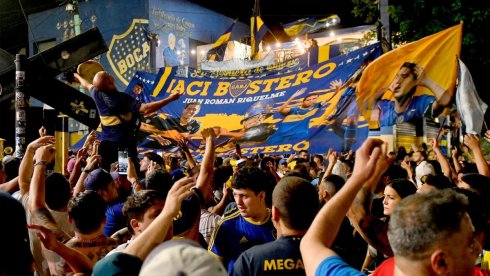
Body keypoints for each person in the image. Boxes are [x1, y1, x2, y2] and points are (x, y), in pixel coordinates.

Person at [73, 70, 180, 171]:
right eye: (107, 73)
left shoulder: (96, 93)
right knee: (123, 173)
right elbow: (146, 109)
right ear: (110, 82)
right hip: (122, 147)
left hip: (106, 146)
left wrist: (76, 76)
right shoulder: (123, 99)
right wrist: (170, 99)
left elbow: (86, 84)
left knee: (106, 174)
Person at [231, 176, 319, 276]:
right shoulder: (332, 258)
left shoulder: (249, 260)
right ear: (316, 214)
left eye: (244, 196)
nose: (238, 202)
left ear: (275, 213)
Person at [208, 166, 276, 272]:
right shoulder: (226, 225)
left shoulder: (280, 221)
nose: (238, 202)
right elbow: (211, 268)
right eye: (235, 195)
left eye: (244, 196)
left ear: (261, 196)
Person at [370, 62, 453, 127]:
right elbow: (367, 103)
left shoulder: (420, 104)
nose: (398, 81)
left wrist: (426, 80)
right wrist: (387, 87)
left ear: (415, 82)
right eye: (396, 77)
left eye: (404, 76)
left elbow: (445, 100)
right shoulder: (386, 106)